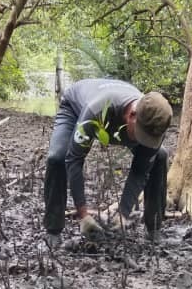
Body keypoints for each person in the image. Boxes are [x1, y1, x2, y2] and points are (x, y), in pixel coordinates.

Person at [44, 78, 172, 244]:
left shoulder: (155, 121)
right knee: (57, 158)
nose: (144, 141)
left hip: (117, 113)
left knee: (160, 156)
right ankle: (53, 229)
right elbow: (74, 159)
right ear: (132, 115)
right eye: (141, 134)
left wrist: (123, 213)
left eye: (149, 138)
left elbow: (140, 171)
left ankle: (154, 227)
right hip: (75, 109)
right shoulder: (97, 109)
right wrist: (83, 215)